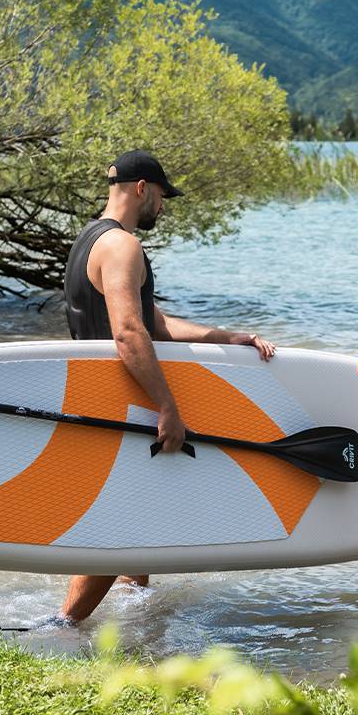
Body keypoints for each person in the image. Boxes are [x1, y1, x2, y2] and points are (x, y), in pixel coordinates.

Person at [59, 149, 276, 622]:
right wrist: (167, 407)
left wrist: (224, 338)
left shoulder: (89, 241)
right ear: (142, 189)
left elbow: (153, 323)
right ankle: (65, 625)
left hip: (98, 395)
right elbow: (128, 332)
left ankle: (133, 616)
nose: (162, 206)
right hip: (121, 400)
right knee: (126, 522)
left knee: (137, 516)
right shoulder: (123, 247)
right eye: (160, 196)